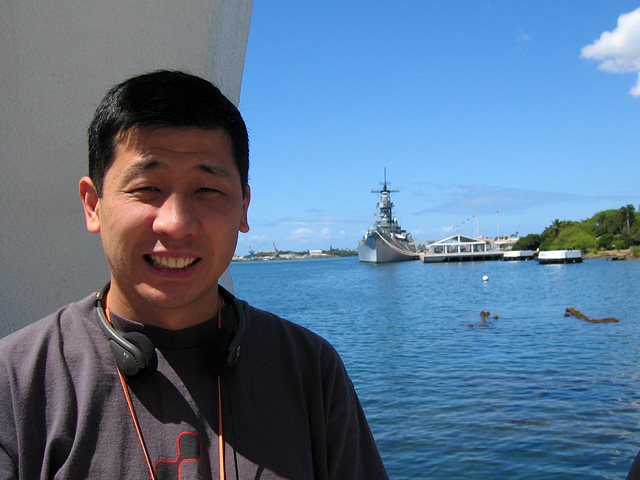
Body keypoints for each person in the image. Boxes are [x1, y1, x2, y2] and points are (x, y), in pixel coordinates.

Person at [0, 70, 388, 479]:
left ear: (243, 208)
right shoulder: (17, 382)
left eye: (207, 190)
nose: (176, 223)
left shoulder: (311, 371)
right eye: (147, 188)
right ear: (93, 204)